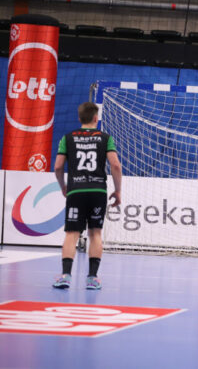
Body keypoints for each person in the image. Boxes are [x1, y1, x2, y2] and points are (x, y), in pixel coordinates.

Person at [53, 102, 122, 290]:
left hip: (76, 190)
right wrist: (118, 190)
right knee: (95, 233)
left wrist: (63, 186)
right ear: (96, 118)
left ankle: (65, 276)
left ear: (79, 118)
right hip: (98, 191)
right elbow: (115, 165)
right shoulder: (105, 138)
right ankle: (92, 278)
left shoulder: (67, 138)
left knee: (72, 233)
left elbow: (58, 167)